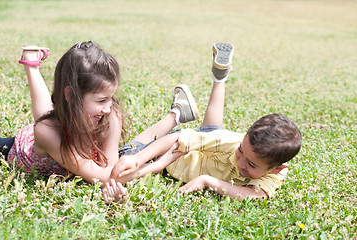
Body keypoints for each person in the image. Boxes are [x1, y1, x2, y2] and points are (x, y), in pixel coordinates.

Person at [103, 43, 302, 203]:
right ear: (243, 138)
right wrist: (139, 161)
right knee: (121, 160)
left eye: (250, 164)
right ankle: (176, 114)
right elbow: (177, 138)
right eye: (241, 152)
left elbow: (255, 196)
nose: (240, 162)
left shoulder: (275, 173)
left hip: (208, 158)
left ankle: (217, 79)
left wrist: (208, 181)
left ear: (277, 169)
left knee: (210, 131)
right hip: (171, 155)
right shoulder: (231, 143)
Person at [0, 41, 199, 185]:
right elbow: (103, 178)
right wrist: (157, 165)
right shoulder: (47, 131)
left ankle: (177, 114)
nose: (108, 107)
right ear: (71, 94)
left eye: (110, 98)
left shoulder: (110, 116)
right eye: (101, 100)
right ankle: (31, 66)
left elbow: (111, 170)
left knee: (127, 151)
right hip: (22, 147)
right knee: (47, 117)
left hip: (70, 121)